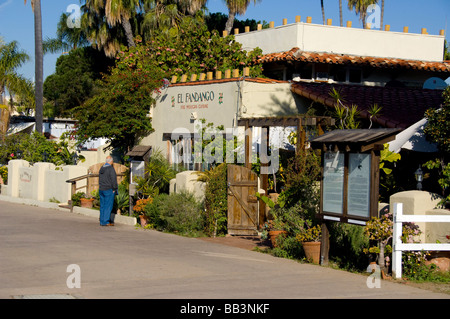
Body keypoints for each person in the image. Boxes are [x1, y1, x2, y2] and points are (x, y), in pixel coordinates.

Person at [99, 155, 118, 226]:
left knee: (102, 205)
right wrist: (114, 188)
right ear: (111, 161)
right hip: (108, 189)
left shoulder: (102, 168)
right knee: (108, 206)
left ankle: (102, 221)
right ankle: (106, 221)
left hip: (101, 189)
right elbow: (113, 179)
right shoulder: (110, 168)